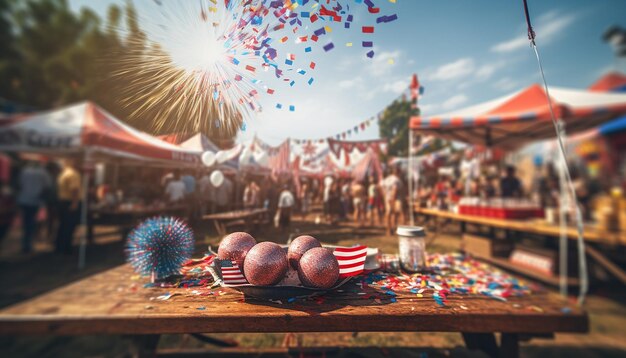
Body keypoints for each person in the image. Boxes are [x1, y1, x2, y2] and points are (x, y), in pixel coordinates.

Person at [17, 161, 52, 254]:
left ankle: (25, 243)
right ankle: (29, 243)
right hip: (35, 200)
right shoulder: (43, 173)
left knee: (26, 222)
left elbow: (20, 184)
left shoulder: (25, 171)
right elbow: (48, 186)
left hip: (23, 199)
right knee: (33, 222)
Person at [56, 159, 81, 254]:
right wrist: (75, 203)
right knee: (69, 226)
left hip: (62, 201)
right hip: (69, 202)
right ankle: (66, 247)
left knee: (63, 225)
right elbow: (74, 189)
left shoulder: (63, 173)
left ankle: (60, 246)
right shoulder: (73, 174)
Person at [382, 166, 403, 236]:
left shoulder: (387, 179)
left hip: (388, 198)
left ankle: (389, 229)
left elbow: (383, 188)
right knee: (396, 213)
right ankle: (393, 228)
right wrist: (392, 200)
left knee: (389, 213)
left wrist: (386, 197)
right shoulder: (396, 180)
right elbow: (395, 190)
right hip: (395, 199)